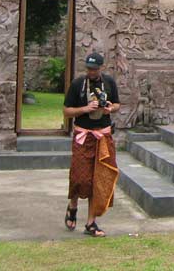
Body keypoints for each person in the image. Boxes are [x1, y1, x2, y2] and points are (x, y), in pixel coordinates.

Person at [63, 51, 120, 237]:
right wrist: (85, 109)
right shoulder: (78, 84)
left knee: (98, 179)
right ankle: (72, 206)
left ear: (101, 68)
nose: (92, 72)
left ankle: (91, 222)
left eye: (95, 69)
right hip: (83, 135)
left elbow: (118, 104)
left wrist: (109, 108)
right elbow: (67, 111)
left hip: (102, 136)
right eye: (89, 69)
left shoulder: (109, 83)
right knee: (81, 177)